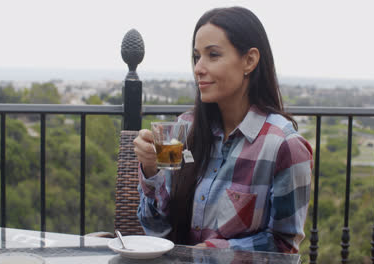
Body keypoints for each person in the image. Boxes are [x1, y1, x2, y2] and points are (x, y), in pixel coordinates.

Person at [133, 6, 313, 253]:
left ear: (249, 60)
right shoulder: (184, 129)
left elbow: (283, 246)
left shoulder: (284, 148)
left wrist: (214, 252)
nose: (198, 68)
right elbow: (156, 229)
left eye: (213, 55)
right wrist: (151, 170)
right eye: (197, 57)